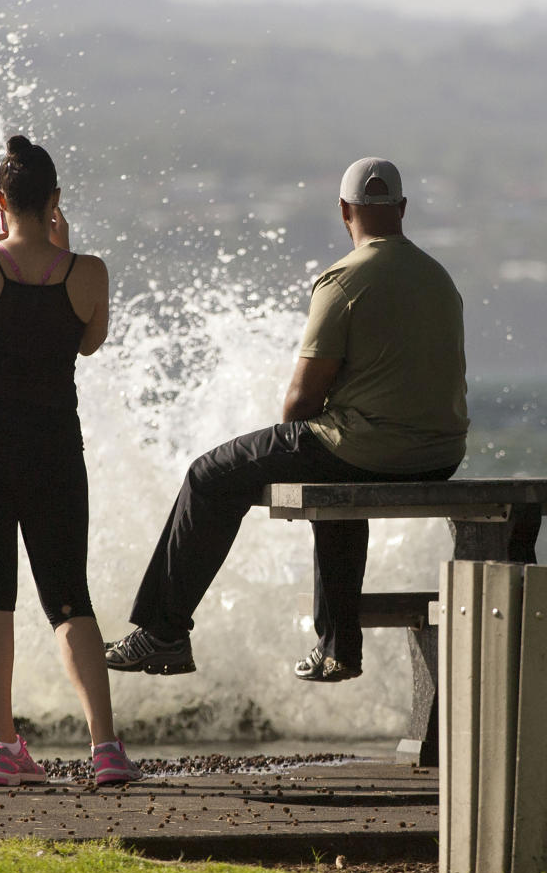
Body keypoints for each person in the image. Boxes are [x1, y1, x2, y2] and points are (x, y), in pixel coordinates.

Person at [105, 157, 469, 683]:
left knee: (210, 475)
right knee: (339, 470)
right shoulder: (440, 278)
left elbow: (298, 405)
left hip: (368, 451)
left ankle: (164, 633)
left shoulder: (344, 280)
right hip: (440, 458)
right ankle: (339, 647)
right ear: (403, 209)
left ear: (345, 211)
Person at [0, 134, 141, 786]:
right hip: (51, 441)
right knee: (68, 595)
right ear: (54, 200)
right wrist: (62, 251)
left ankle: (5, 748)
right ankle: (105, 749)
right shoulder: (88, 272)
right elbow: (91, 342)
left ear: (1, 201)